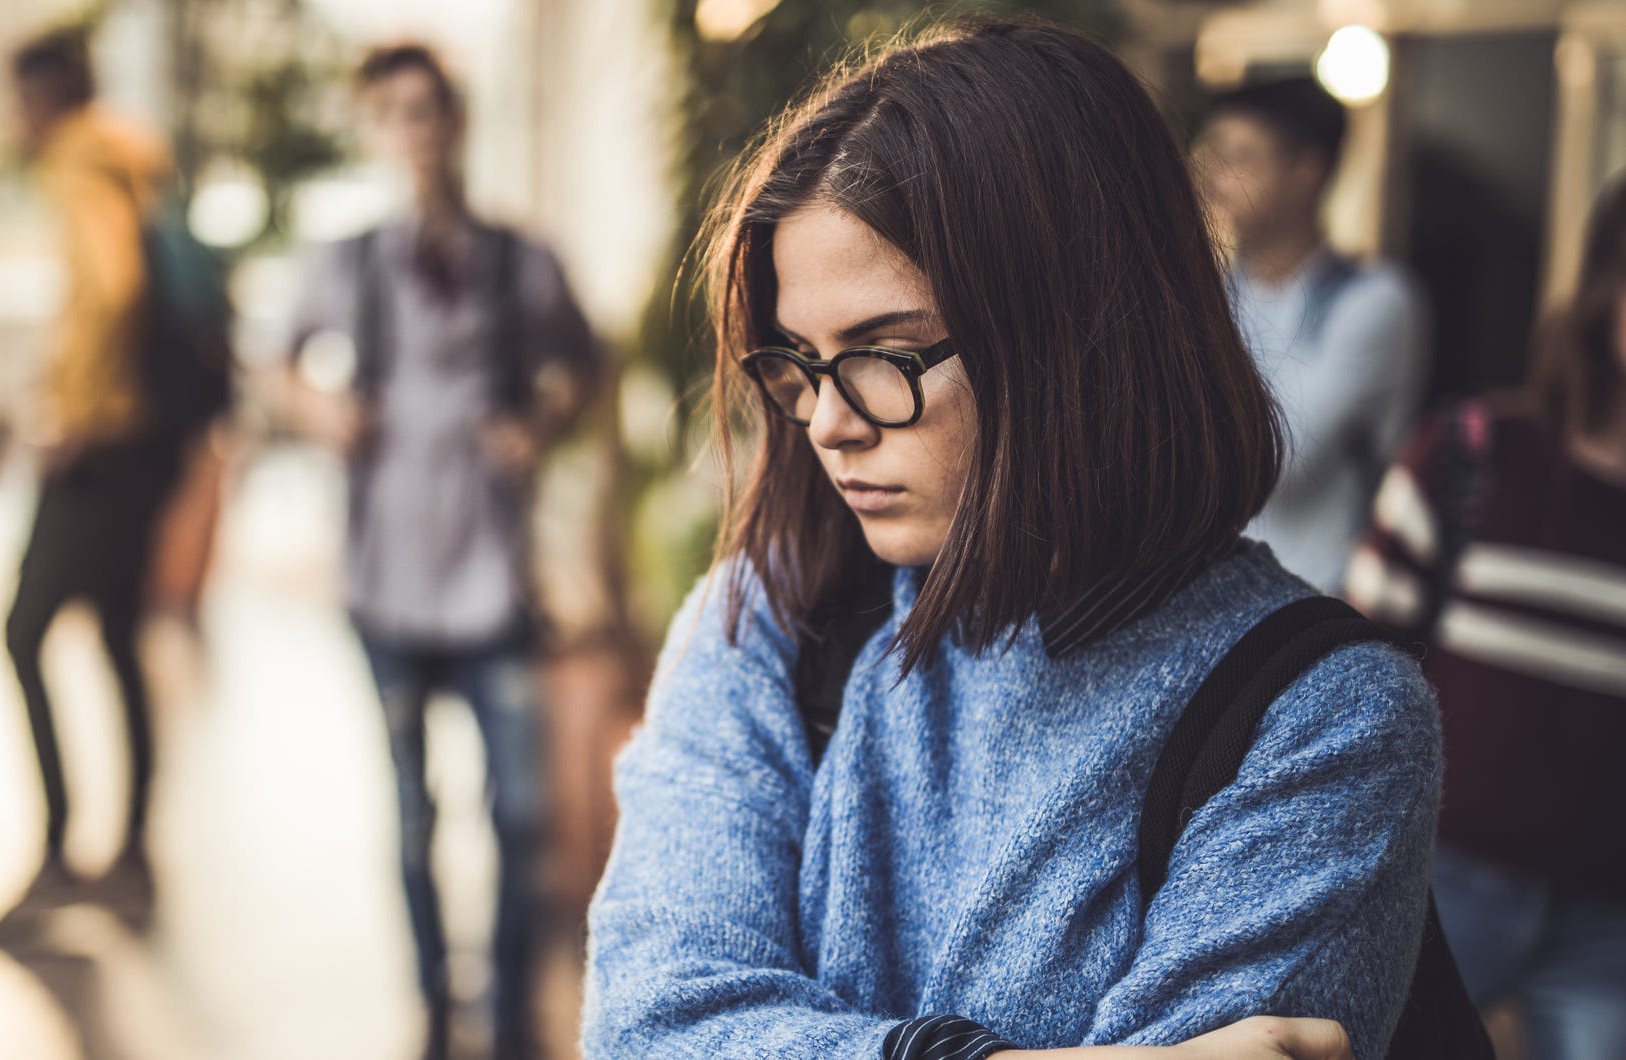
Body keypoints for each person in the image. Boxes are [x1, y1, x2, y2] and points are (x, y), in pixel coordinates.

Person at [582, 19, 1440, 1060]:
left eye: (885, 355)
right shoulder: (775, 613)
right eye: (799, 361)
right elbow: (649, 1022)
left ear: (1079, 332)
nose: (824, 420)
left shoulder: (1317, 718)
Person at [281, 44, 600, 1060]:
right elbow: (279, 367)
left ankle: (510, 1018)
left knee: (520, 815)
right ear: (379, 134)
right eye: (394, 116)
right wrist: (321, 410)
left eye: (429, 112)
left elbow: (584, 365)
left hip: (492, 579)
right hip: (385, 581)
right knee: (411, 814)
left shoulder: (520, 260)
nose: (415, 133)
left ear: (456, 123)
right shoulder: (349, 264)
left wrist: (538, 426)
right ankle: (433, 1002)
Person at [1348, 177, 1626, 1059]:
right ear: (1603, 296)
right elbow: (1354, 672)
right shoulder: (1473, 452)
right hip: (1435, 883)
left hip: (1608, 919)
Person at [0, 29, 180, 911]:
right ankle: (134, 853)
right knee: (113, 640)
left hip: (101, 446)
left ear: (43, 98)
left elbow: (111, 291)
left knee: (22, 632)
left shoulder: (78, 164)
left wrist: (71, 415)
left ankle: (59, 854)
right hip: (144, 447)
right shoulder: (132, 158)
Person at [1196, 77, 1429, 593]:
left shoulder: (1374, 301)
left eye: (1241, 157)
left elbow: (1277, 459)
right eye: (1213, 154)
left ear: (1307, 172)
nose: (1216, 177)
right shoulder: (1214, 297)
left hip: (1324, 596)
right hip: (1217, 593)